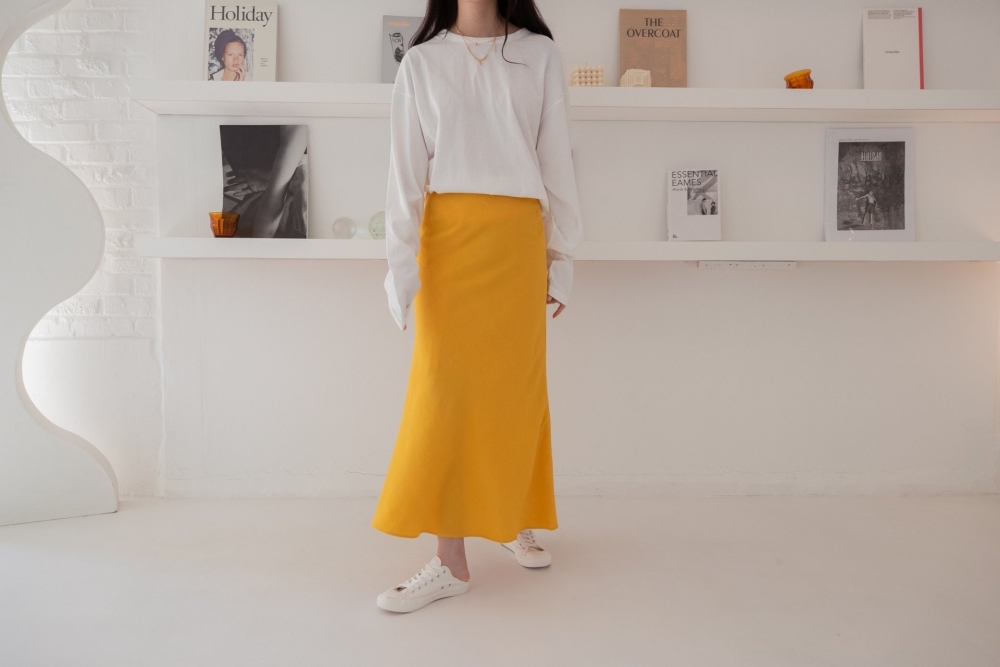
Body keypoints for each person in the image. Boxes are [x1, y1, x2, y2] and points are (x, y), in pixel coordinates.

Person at [371, 0, 583, 613]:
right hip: (449, 241)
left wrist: (562, 258)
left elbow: (558, 162)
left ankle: (510, 516)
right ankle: (450, 561)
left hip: (517, 241)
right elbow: (404, 178)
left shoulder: (540, 55)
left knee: (515, 390)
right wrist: (400, 269)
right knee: (445, 395)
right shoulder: (421, 62)